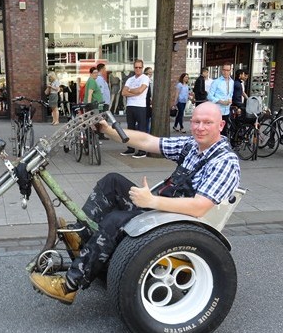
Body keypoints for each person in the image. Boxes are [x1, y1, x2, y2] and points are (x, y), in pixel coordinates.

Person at [30, 102, 241, 305]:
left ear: (221, 125)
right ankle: (82, 238)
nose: (200, 127)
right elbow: (148, 142)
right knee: (112, 182)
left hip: (179, 222)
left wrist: (152, 200)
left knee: (115, 220)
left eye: (207, 123)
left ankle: (69, 285)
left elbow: (200, 206)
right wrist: (109, 131)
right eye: (196, 121)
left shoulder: (224, 161)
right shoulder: (192, 146)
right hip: (160, 209)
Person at [120, 59, 149, 158]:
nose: (138, 69)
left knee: (141, 129)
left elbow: (140, 91)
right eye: (136, 67)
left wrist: (130, 90)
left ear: (142, 68)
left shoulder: (145, 78)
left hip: (140, 106)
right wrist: (134, 92)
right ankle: (131, 148)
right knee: (130, 128)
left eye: (140, 67)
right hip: (130, 106)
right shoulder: (130, 79)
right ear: (134, 68)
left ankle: (142, 150)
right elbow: (123, 92)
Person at [207, 63, 234, 136]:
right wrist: (221, 101)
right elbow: (209, 96)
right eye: (224, 70)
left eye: (227, 70)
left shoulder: (232, 82)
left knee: (224, 132)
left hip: (226, 111)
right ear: (222, 70)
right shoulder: (216, 82)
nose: (225, 72)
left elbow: (230, 94)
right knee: (216, 132)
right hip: (217, 111)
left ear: (230, 71)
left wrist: (230, 100)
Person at [96, 63, 110, 140]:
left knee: (102, 118)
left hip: (104, 102)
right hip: (103, 102)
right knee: (103, 118)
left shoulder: (100, 78)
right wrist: (100, 103)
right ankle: (101, 134)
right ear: (101, 69)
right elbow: (100, 92)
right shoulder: (100, 79)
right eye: (104, 69)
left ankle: (100, 134)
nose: (105, 70)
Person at [144, 67, 153, 133]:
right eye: (149, 72)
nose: (151, 74)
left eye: (151, 72)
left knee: (148, 119)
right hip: (145, 103)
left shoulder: (150, 81)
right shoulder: (145, 81)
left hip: (149, 103)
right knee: (146, 119)